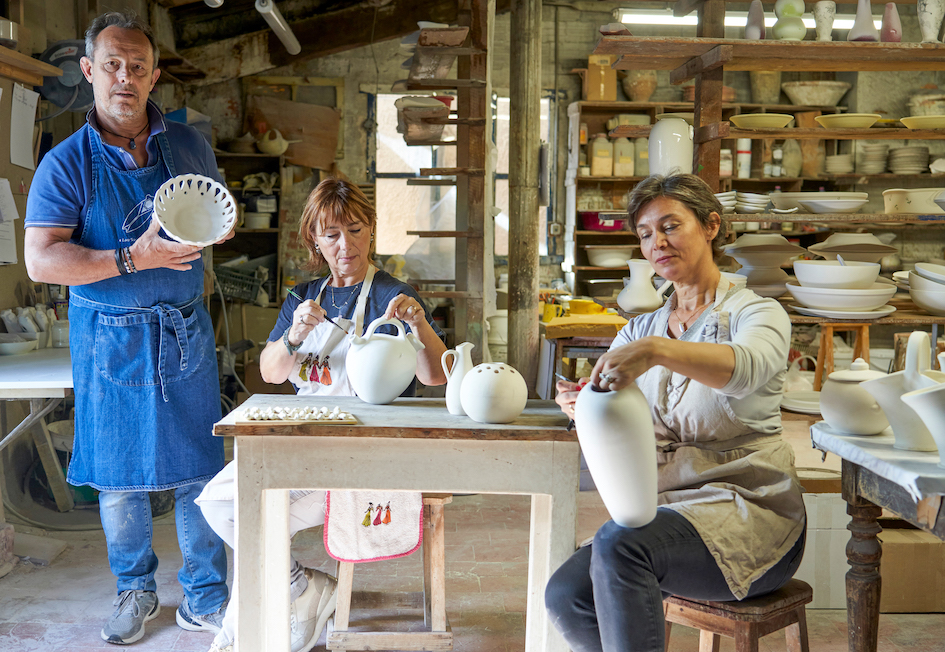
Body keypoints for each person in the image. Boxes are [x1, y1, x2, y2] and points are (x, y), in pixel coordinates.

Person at [24, 11, 231, 646]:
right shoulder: (65, 165)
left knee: (201, 469)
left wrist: (216, 227)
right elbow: (41, 258)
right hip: (108, 334)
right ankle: (134, 590)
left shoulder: (189, 145)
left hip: (184, 330)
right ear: (87, 72)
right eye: (111, 64)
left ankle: (206, 596)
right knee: (117, 478)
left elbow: (217, 212)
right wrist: (130, 257)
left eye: (137, 66)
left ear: (154, 75)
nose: (125, 77)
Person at [545, 173, 806, 652]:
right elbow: (621, 417)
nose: (657, 243)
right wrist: (585, 406)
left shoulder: (757, 313)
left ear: (710, 226)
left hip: (751, 510)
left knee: (620, 547)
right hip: (664, 508)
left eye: (670, 226)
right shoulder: (641, 327)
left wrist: (659, 351)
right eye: (645, 234)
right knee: (566, 594)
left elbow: (746, 371)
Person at [196, 177, 448, 652]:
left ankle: (247, 632)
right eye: (332, 234)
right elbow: (271, 373)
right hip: (304, 436)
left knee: (256, 515)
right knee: (218, 503)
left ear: (371, 229)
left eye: (355, 230)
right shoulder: (302, 297)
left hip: (366, 449)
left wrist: (417, 324)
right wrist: (292, 337)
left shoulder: (392, 295)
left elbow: (436, 376)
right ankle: (300, 588)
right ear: (315, 239)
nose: (345, 244)